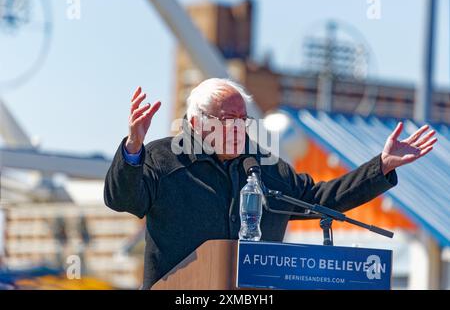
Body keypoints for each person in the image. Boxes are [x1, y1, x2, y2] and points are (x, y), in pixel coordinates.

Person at [104, 78, 437, 289]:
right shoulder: (163, 160)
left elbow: (320, 199)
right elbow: (122, 198)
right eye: (227, 119)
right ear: (196, 122)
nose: (238, 128)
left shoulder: (263, 167)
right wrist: (133, 148)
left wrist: (379, 167)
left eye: (242, 119)